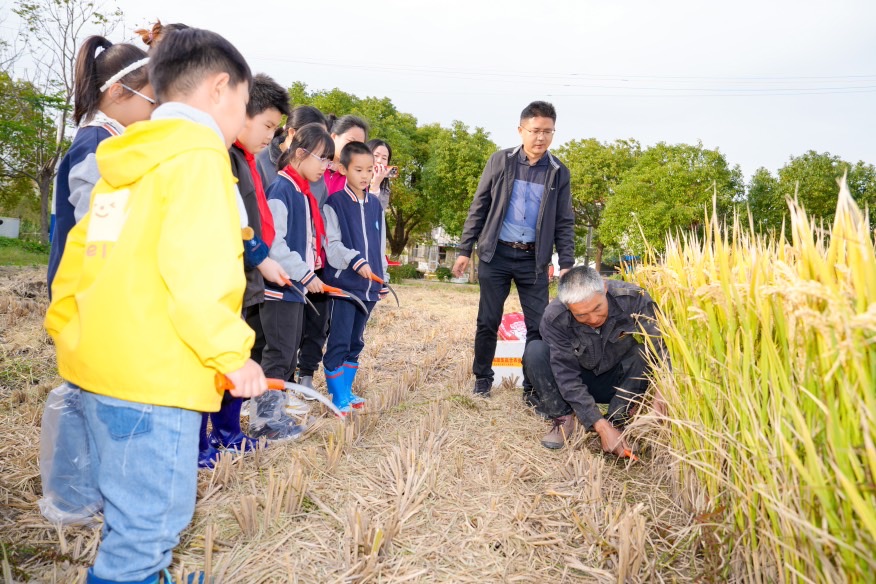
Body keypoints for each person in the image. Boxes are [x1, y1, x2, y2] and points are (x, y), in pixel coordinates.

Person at [44, 28, 267, 584]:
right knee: (146, 532)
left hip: (99, 368)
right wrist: (233, 354)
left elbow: (79, 258)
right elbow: (199, 272)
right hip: (155, 381)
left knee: (127, 518)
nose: (242, 123)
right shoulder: (199, 162)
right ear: (220, 88)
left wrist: (69, 331)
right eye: (244, 106)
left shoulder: (125, 162)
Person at [196, 73, 292, 467]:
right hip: (226, 276)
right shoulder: (222, 155)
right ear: (241, 112)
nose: (271, 136)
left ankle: (228, 432)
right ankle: (200, 445)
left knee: (240, 351)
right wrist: (260, 257)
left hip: (245, 278)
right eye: (267, 125)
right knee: (214, 363)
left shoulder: (247, 159)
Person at [451, 101, 575, 399]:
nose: (541, 137)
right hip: (497, 255)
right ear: (521, 130)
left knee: (540, 326)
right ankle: (482, 378)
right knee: (488, 320)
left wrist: (567, 262)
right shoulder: (500, 161)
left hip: (534, 260)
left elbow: (564, 220)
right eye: (535, 130)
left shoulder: (559, 172)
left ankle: (532, 387)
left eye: (548, 131)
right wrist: (465, 248)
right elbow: (479, 206)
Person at [47, 36, 154, 292]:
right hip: (88, 292)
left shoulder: (105, 139)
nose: (156, 111)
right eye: (152, 100)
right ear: (117, 92)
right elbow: (100, 236)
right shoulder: (99, 145)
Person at [523, 266, 667, 453]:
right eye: (581, 315)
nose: (593, 319)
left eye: (597, 308)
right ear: (568, 307)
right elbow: (565, 374)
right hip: (574, 382)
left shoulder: (634, 299)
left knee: (643, 352)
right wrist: (600, 426)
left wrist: (662, 391)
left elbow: (663, 347)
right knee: (535, 351)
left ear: (604, 289)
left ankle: (618, 420)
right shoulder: (554, 317)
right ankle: (563, 418)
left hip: (616, 382)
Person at [255, 123, 335, 435]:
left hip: (293, 290)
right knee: (277, 354)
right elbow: (274, 244)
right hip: (278, 288)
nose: (325, 167)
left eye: (329, 161)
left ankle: (275, 414)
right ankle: (264, 422)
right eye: (322, 159)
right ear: (300, 154)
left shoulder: (300, 191)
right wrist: (305, 273)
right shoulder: (282, 189)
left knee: (288, 355)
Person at [322, 141, 389, 412]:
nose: (365, 175)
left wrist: (382, 278)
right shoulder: (334, 203)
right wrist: (354, 259)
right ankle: (336, 397)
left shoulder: (375, 205)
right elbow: (332, 245)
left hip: (369, 287)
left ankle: (347, 392)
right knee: (339, 339)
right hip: (343, 286)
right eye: (358, 169)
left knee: (355, 340)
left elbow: (380, 245)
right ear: (343, 169)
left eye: (369, 170)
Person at [324, 115, 369, 194]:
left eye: (359, 144)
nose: (354, 148)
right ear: (334, 137)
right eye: (350, 140)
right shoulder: (315, 164)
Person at [366, 139, 394, 210]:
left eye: (384, 158)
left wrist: (375, 185)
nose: (379, 161)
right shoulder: (350, 179)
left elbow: (375, 213)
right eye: (376, 155)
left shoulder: (384, 188)